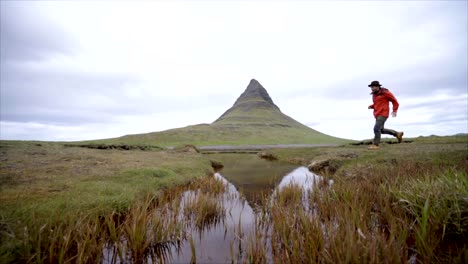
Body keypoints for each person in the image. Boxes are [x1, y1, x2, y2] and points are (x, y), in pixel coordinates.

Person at [367, 80, 404, 149]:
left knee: (376, 128)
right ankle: (397, 134)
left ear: (378, 86)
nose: (372, 88)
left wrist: (394, 110)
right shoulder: (374, 95)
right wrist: (372, 106)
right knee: (381, 130)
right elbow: (377, 103)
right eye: (371, 87)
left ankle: (376, 145)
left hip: (383, 114)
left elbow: (395, 101)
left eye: (373, 87)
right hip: (377, 114)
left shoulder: (385, 93)